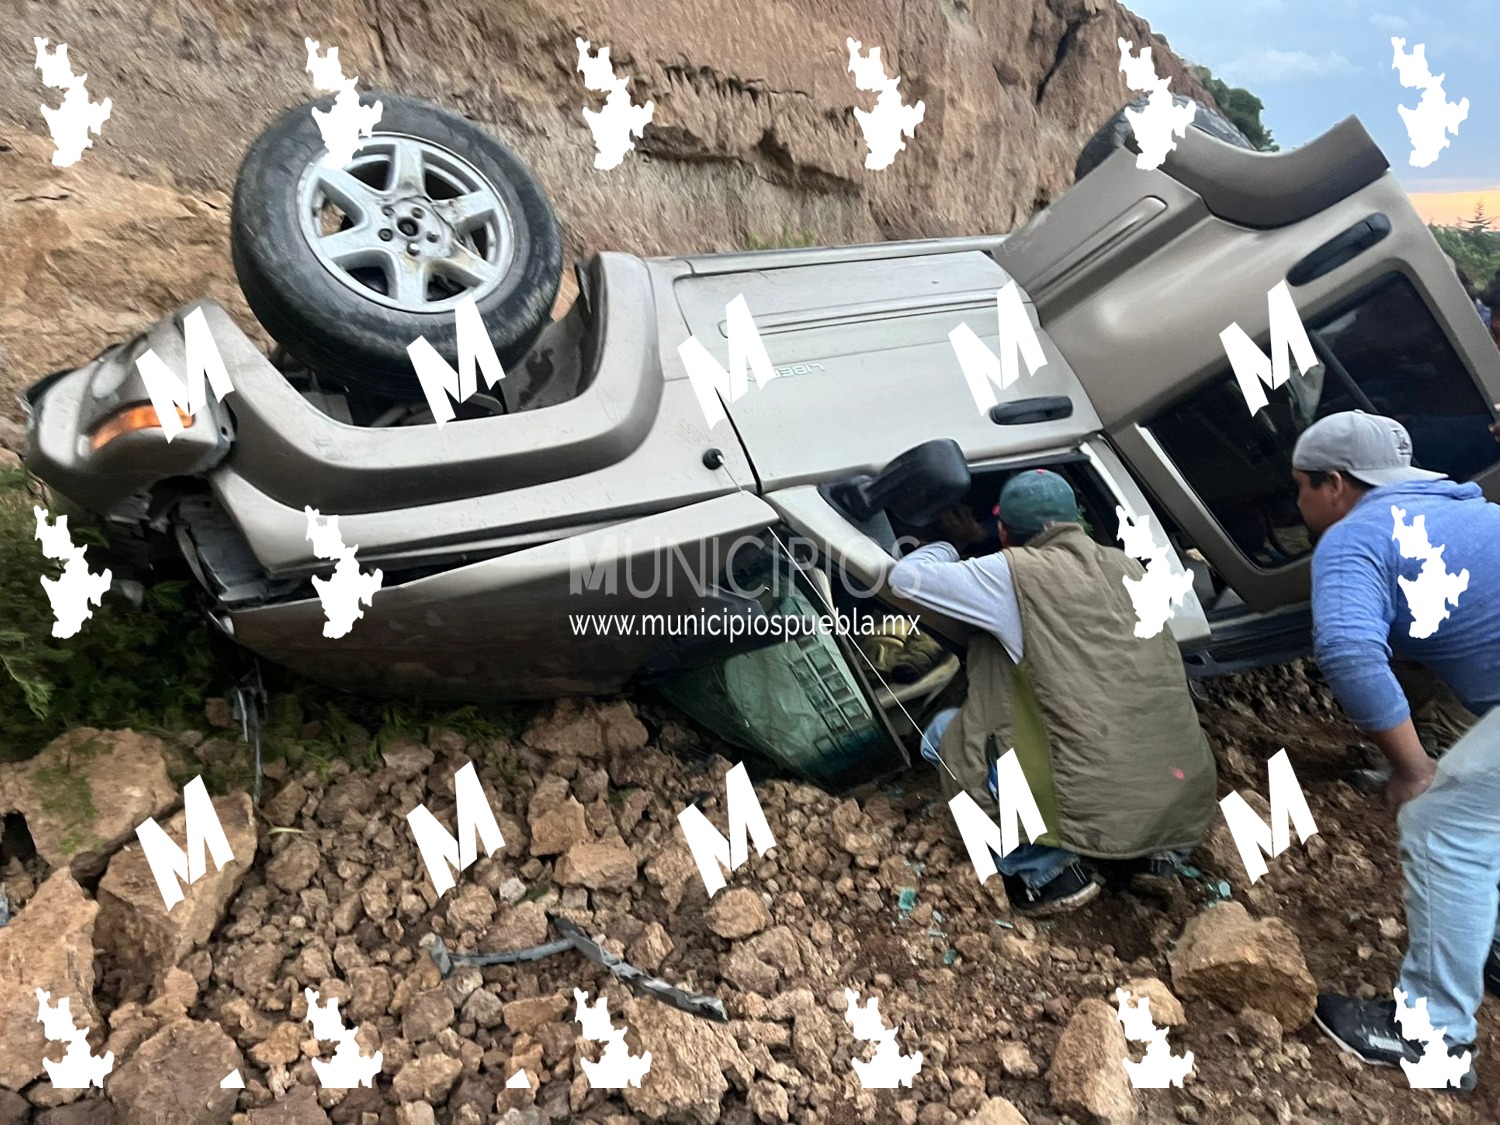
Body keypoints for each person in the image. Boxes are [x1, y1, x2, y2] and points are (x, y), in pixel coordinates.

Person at [887, 469, 1218, 916]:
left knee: (947, 737)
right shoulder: (1128, 567)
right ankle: (1154, 858)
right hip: (1177, 802)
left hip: (1088, 798)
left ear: (1003, 531)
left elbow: (906, 579)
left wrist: (954, 544)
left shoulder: (1008, 574)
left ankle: (1049, 873)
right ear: (1076, 519)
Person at [1290, 410, 1500, 1093]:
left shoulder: (1354, 537)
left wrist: (1413, 769)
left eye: (1300, 488)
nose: (1298, 505)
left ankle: (1433, 1036)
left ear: (1335, 484)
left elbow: (1349, 651)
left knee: (1442, 821)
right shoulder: (1464, 511)